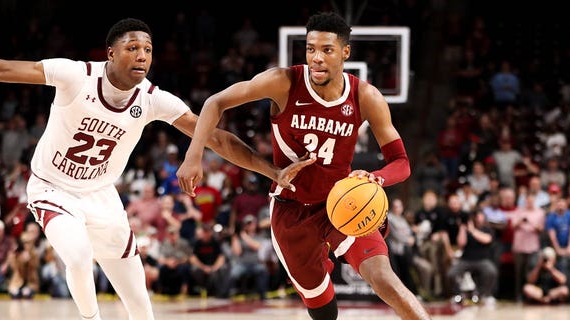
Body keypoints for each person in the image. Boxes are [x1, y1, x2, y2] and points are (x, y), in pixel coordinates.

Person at [0, 18, 312, 320]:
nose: (142, 56)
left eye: (147, 50)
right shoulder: (75, 75)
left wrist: (273, 171)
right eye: (132, 48)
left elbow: (216, 138)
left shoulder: (154, 98)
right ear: (111, 54)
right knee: (79, 255)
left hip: (101, 196)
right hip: (52, 188)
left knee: (141, 306)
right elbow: (0, 69)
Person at [177, 11, 431, 320]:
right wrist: (193, 157)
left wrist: (375, 179)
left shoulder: (366, 96)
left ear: (345, 52)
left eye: (327, 50)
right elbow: (214, 102)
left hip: (342, 202)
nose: (317, 58)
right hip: (291, 211)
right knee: (325, 313)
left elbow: (401, 163)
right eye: (311, 49)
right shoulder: (283, 82)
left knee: (384, 279)